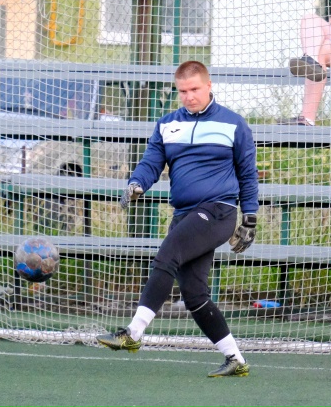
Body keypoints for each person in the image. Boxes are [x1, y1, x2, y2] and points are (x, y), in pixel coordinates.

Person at [96, 60, 259, 378]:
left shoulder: (234, 124)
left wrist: (250, 217)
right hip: (185, 215)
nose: (189, 96)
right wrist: (136, 183)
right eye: (182, 91)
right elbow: (151, 162)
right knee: (194, 294)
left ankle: (133, 333)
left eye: (194, 89)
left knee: (166, 256)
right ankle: (235, 359)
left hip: (218, 211)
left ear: (209, 86)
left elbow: (247, 174)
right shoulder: (167, 124)